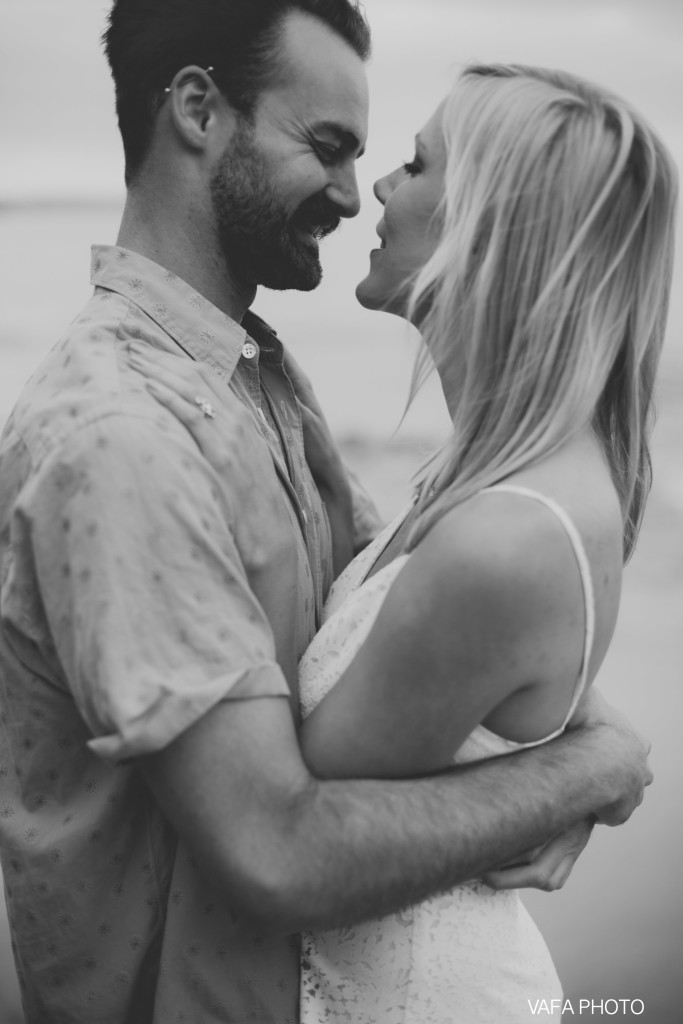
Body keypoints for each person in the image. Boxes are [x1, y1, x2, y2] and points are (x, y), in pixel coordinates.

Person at [0, 0, 652, 1019]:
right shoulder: (121, 438)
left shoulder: (253, 375)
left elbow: (422, 606)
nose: (355, 195)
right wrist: (584, 770)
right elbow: (273, 852)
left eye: (385, 158)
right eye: (328, 147)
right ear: (199, 111)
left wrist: (586, 732)